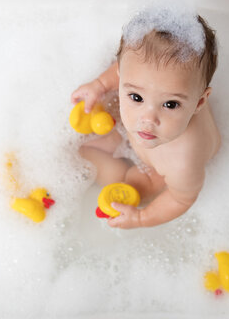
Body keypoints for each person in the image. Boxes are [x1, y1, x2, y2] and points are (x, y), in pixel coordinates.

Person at [70, 13, 220, 229]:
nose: (148, 119)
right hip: (147, 138)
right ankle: (107, 141)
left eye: (170, 104)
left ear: (199, 102)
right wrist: (100, 85)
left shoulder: (183, 163)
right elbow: (122, 71)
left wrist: (141, 218)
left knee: (132, 185)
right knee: (112, 111)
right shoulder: (148, 89)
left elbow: (181, 199)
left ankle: (97, 150)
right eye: (137, 97)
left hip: (157, 169)